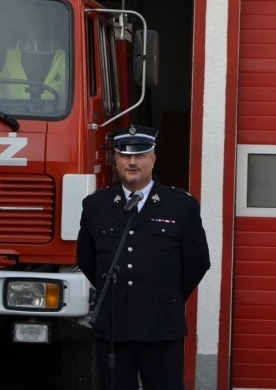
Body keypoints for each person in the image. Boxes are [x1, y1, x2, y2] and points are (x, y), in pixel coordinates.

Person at [76, 124, 211, 390]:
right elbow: (87, 258)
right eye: (125, 156)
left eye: (140, 155)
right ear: (115, 160)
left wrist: (166, 294)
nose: (133, 162)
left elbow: (198, 262)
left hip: (160, 323)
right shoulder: (96, 206)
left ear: (153, 159)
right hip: (114, 324)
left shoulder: (180, 205)